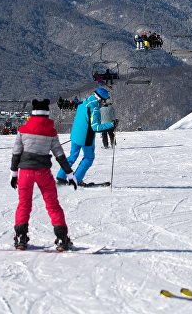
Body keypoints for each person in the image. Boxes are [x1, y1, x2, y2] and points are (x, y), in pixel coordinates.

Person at [10, 99, 77, 251]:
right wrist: (69, 174)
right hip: (43, 173)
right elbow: (59, 155)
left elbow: (16, 153)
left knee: (24, 203)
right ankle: (62, 238)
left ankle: (21, 237)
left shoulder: (22, 130)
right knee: (52, 205)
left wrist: (14, 172)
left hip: (25, 172)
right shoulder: (51, 132)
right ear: (47, 113)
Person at [56, 88, 115, 185]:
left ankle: (61, 177)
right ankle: (77, 179)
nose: (105, 103)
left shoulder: (84, 102)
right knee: (88, 157)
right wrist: (111, 124)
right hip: (86, 138)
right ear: (100, 99)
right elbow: (96, 127)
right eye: (105, 100)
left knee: (72, 157)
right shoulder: (94, 108)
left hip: (75, 136)